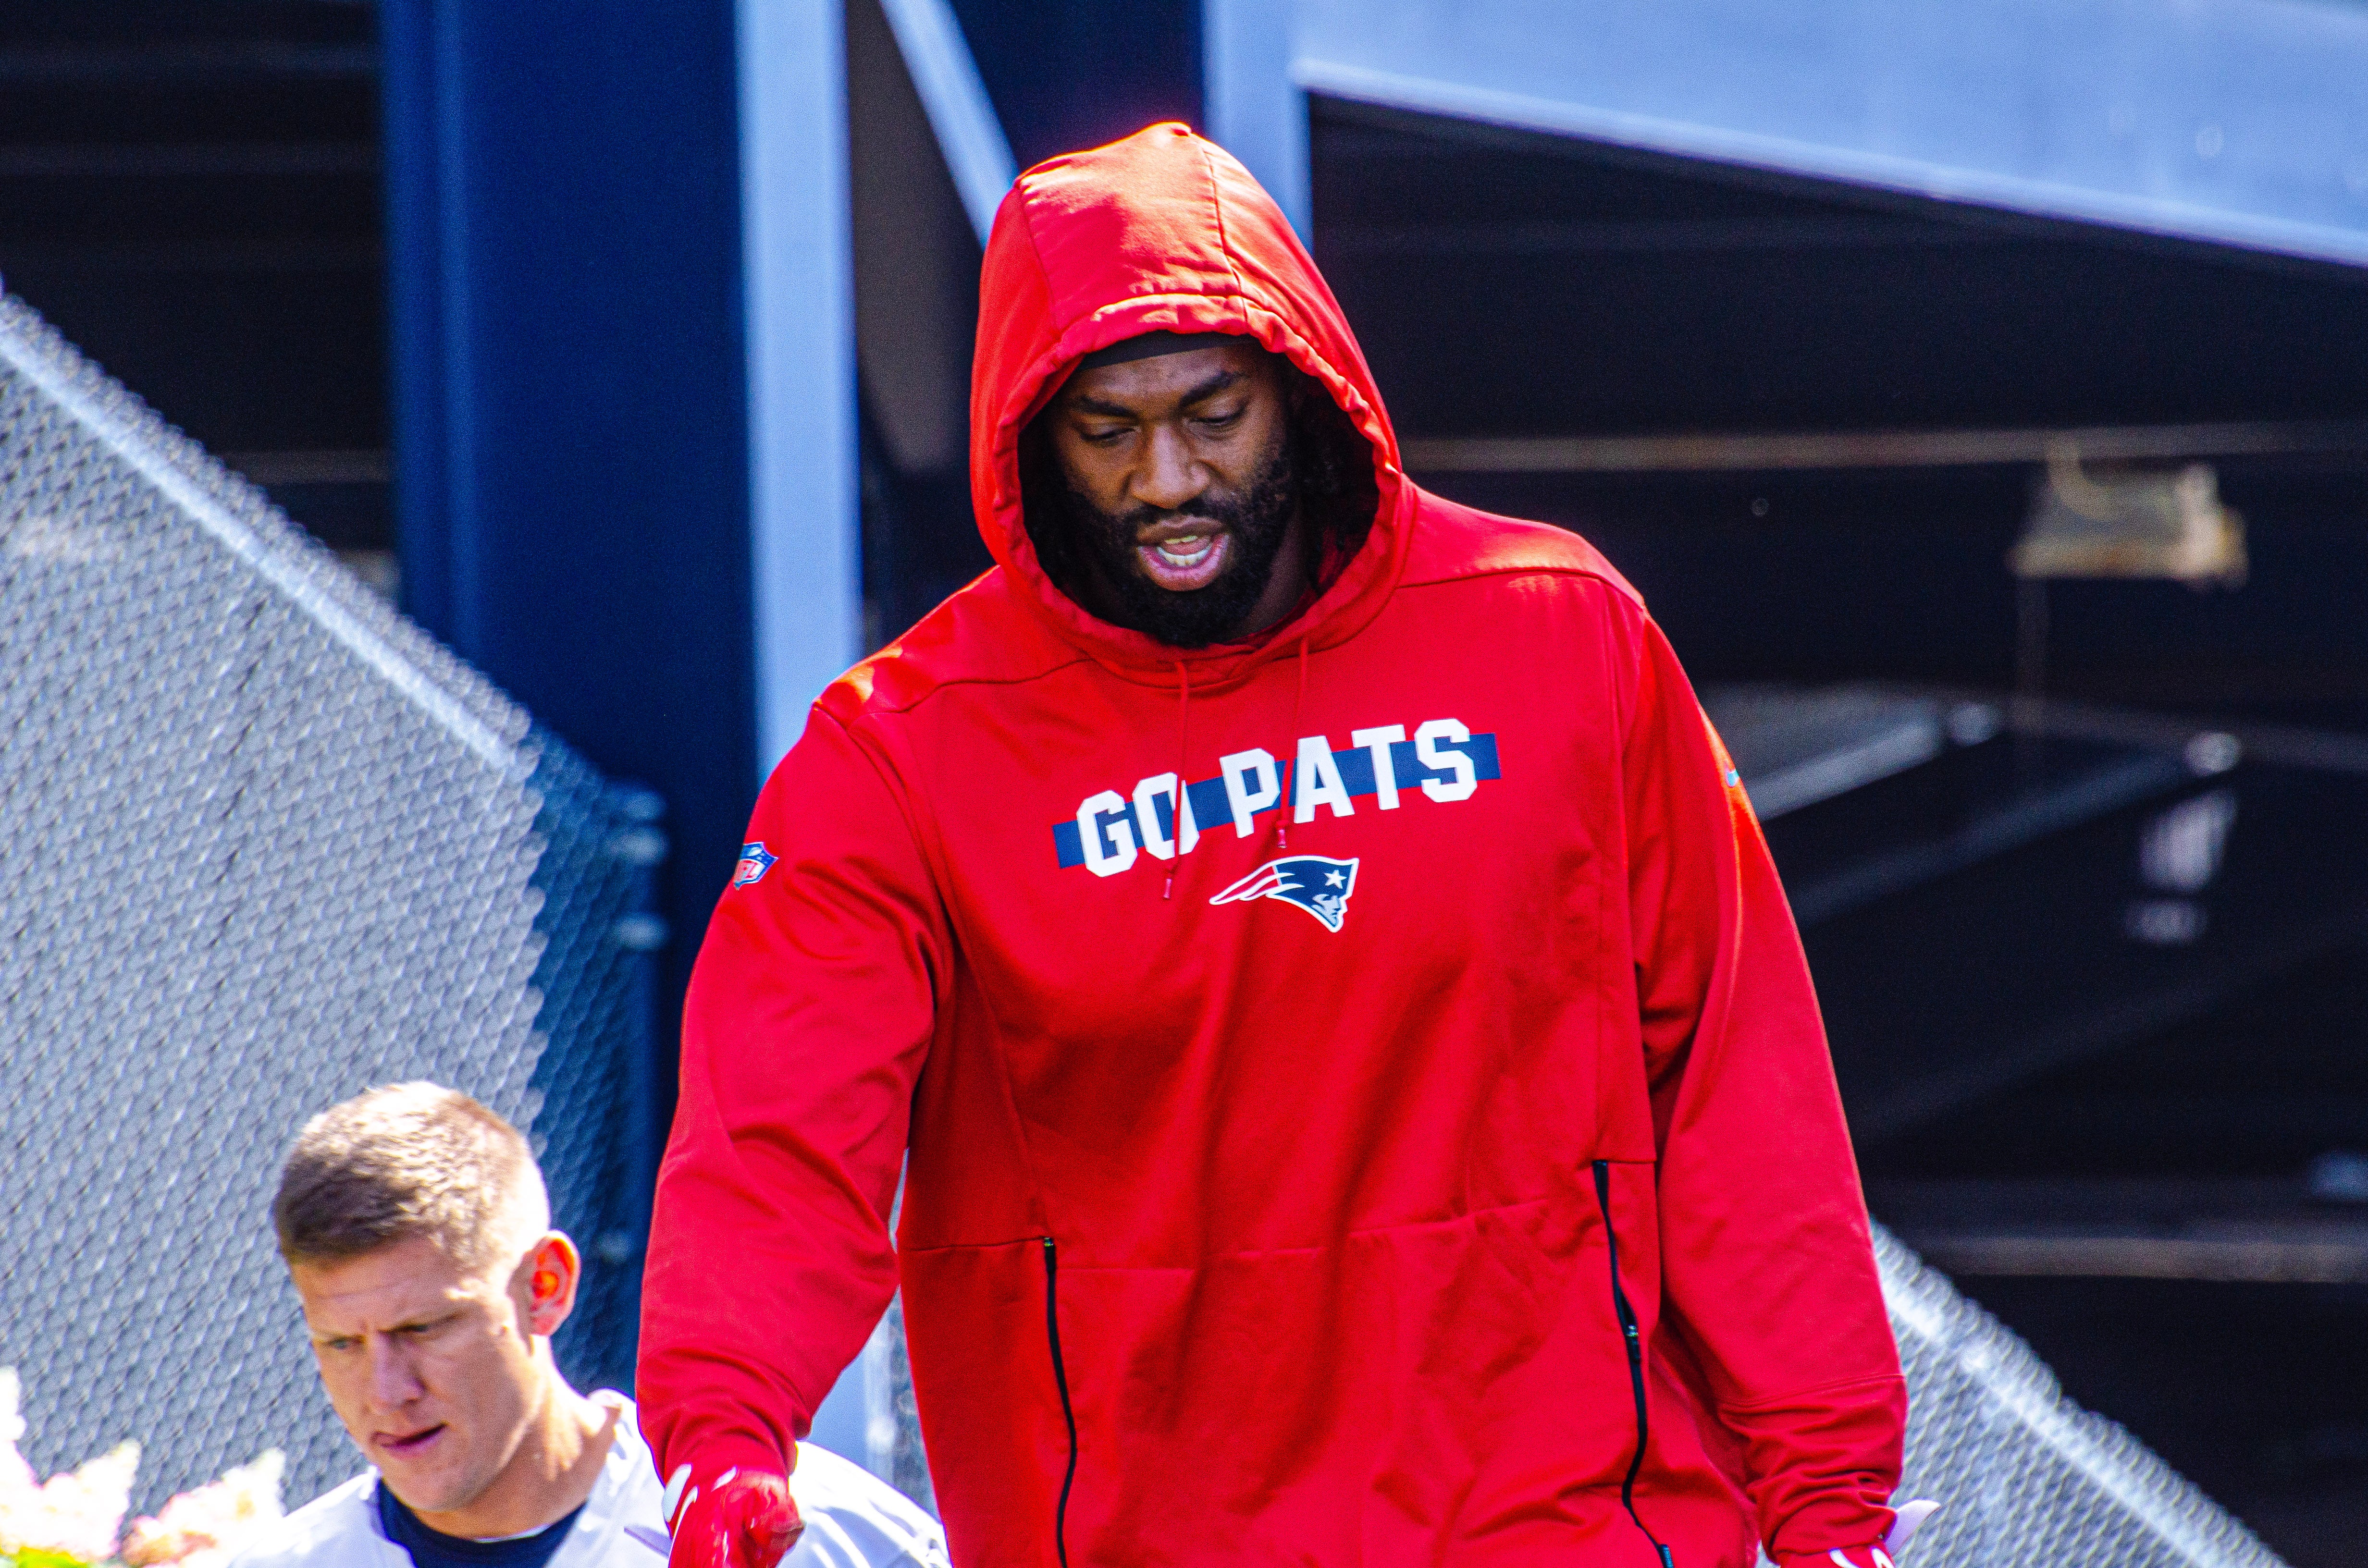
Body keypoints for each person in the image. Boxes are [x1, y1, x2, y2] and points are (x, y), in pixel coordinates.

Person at [640, 123, 1922, 1568]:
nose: (1167, 479)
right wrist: (725, 1437)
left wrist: (1827, 1505)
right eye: (1106, 431)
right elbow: (780, 1129)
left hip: (1566, 1523)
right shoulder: (905, 751)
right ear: (1030, 436)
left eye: (1212, 412)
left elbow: (1737, 1094)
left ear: (1299, 393)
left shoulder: (1560, 635)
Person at [228, 1083, 946, 1568]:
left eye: (424, 1328)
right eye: (341, 1344)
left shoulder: (814, 1539)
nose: (386, 1390)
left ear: (546, 1286)